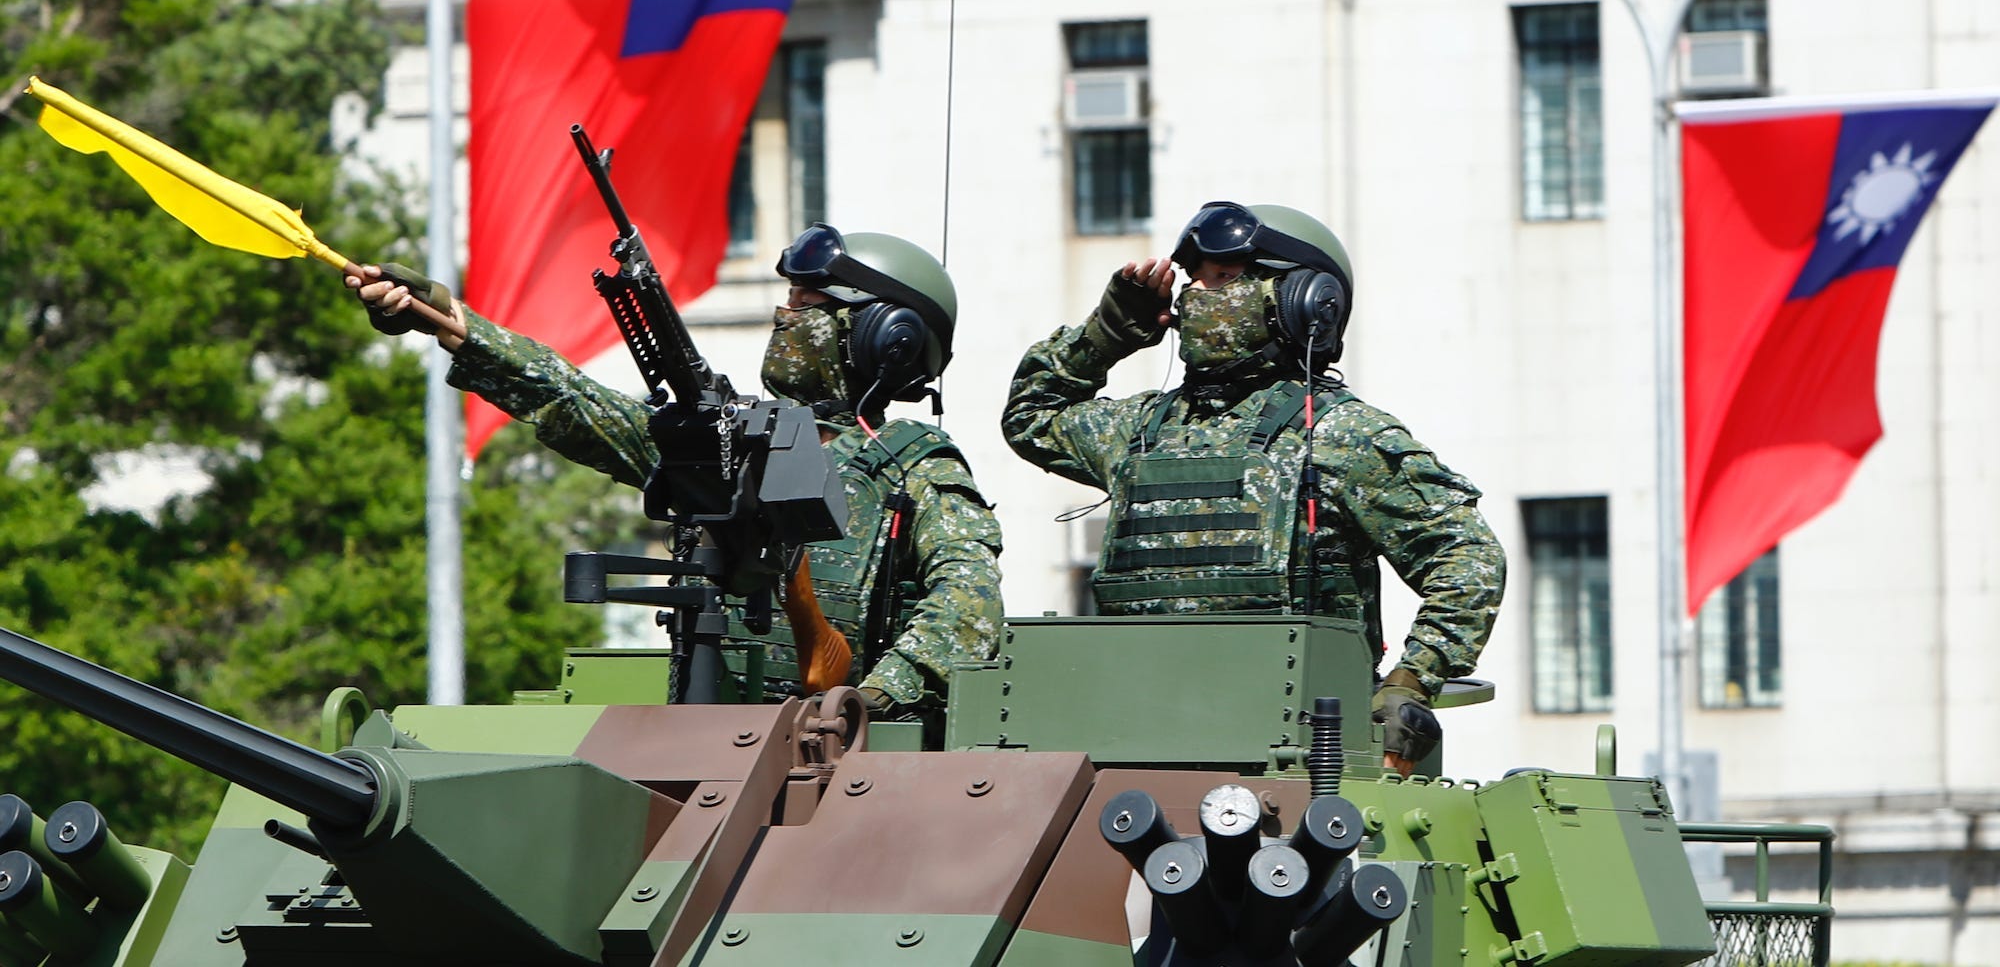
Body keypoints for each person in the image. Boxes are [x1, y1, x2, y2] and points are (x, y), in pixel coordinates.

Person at [348, 225, 1003, 720]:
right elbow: (578, 405)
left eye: (806, 304)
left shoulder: (913, 465)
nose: (785, 314)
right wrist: (460, 329)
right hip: (702, 739)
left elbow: (968, 607)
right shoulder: (735, 438)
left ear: (883, 337)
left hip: (843, 764)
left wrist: (870, 701)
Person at [1001, 201, 1504, 774]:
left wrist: (1412, 682)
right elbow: (1032, 416)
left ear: (1300, 299)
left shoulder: (1342, 435)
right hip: (1131, 749)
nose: (1194, 296)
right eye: (1192, 280)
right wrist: (1109, 332)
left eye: (1222, 278)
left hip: (1300, 761)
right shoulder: (1138, 430)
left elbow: (1468, 558)